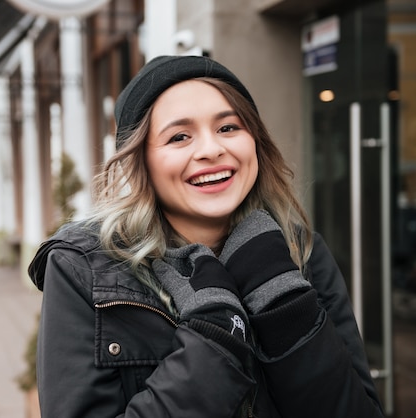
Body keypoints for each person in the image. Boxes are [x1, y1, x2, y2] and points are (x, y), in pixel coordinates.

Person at [28, 55, 384, 417]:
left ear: (255, 143)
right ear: (140, 163)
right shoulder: (83, 268)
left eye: (228, 128)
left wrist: (284, 308)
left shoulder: (300, 250)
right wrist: (214, 338)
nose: (212, 150)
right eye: (179, 137)